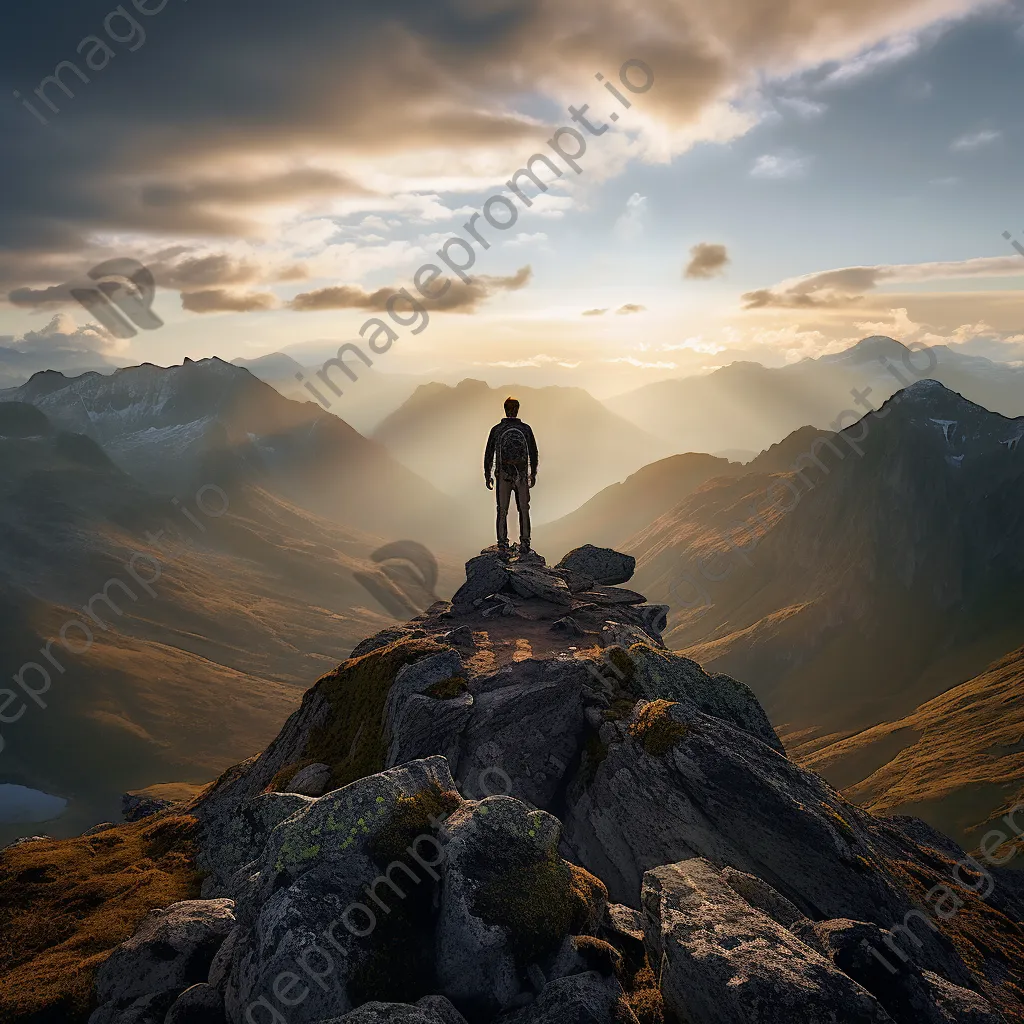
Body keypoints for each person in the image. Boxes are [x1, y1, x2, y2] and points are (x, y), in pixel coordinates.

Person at [484, 396, 539, 556]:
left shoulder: (497, 430)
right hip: (521, 475)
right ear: (517, 410)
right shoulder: (526, 429)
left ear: (505, 409)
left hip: (503, 475)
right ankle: (525, 543)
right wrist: (532, 473)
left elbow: (489, 454)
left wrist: (488, 474)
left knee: (502, 510)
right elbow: (534, 452)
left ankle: (502, 544)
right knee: (524, 509)